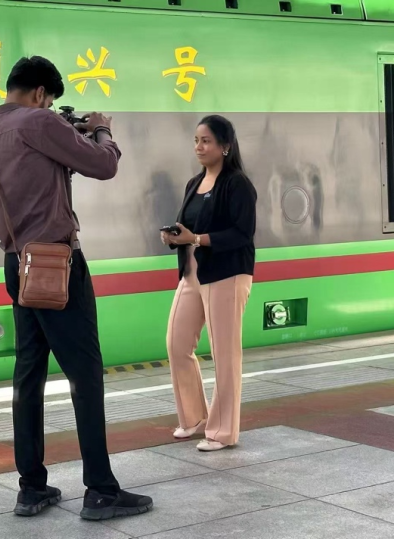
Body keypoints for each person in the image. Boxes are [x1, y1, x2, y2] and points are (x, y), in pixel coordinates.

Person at [0, 56, 153, 521]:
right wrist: (101, 129)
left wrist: (18, 235)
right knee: (84, 374)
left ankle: (31, 489)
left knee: (28, 375)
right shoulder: (40, 122)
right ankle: (101, 491)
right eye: (49, 100)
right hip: (56, 263)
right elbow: (104, 166)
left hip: (16, 264)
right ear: (41, 94)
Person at [160, 115, 257, 452]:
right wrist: (174, 237)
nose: (199, 147)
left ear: (225, 146)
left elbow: (242, 233)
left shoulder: (237, 184)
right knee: (176, 344)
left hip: (227, 274)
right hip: (192, 274)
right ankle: (194, 417)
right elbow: (188, 227)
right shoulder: (194, 183)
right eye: (196, 141)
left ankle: (223, 432)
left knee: (225, 354)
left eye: (206, 141)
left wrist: (197, 239)